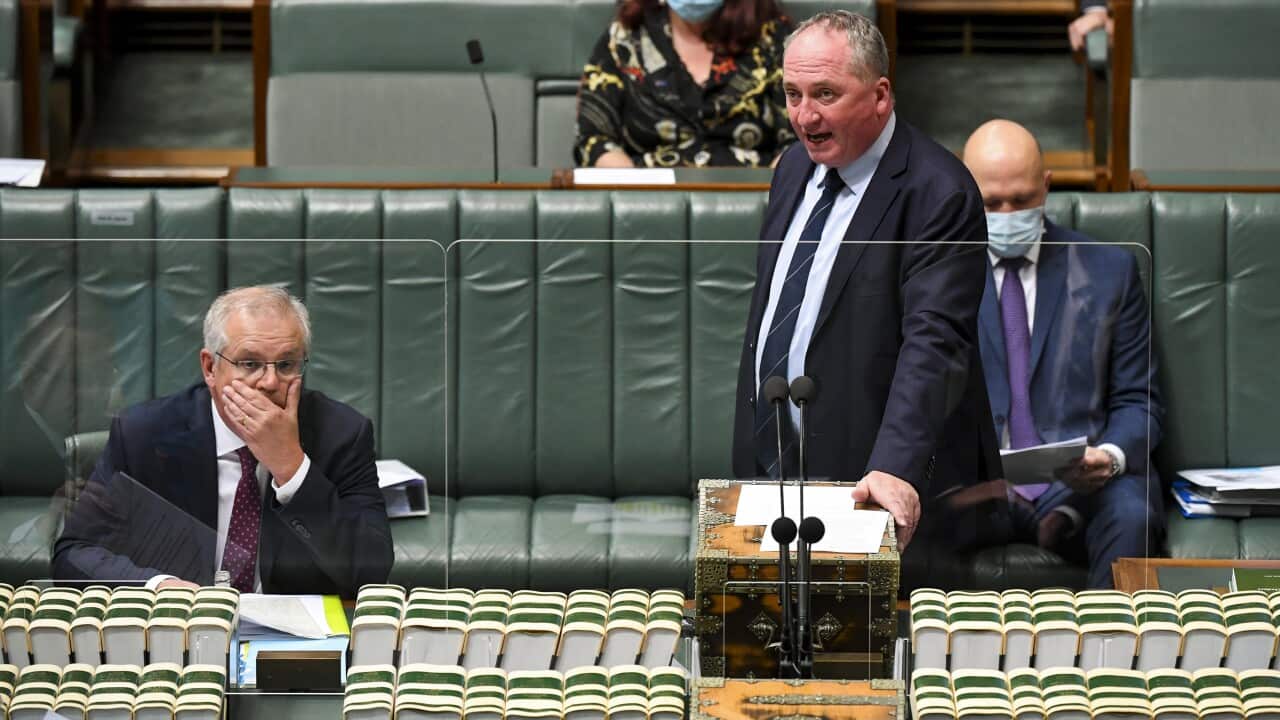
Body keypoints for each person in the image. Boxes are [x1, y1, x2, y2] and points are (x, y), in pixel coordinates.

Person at [731, 10, 1001, 552]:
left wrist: (893, 468)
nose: (805, 116)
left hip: (874, 490)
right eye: (792, 94)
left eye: (825, 94)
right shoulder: (791, 170)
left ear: (880, 96)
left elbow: (936, 343)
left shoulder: (938, 191)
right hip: (774, 480)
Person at [53, 286, 394, 596]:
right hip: (182, 629)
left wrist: (292, 468)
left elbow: (371, 571)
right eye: (250, 364)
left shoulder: (342, 434)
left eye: (287, 364)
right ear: (210, 369)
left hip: (291, 644)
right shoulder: (144, 433)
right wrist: (158, 587)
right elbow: (74, 554)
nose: (270, 382)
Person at [963, 119, 1163, 589]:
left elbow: (1142, 399)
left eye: (1023, 199)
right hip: (975, 486)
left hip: (1079, 483)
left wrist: (1110, 456)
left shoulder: (1110, 270)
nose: (1008, 214)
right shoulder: (936, 273)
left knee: (1132, 513)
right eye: (991, 204)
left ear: (1047, 187)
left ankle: (1105, 658)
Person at [575, 0, 794, 168]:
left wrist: (774, 200)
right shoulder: (625, 39)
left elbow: (798, 140)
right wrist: (635, 199)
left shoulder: (773, 38)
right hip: (650, 204)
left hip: (755, 203)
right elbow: (593, 139)